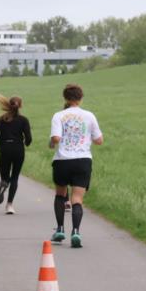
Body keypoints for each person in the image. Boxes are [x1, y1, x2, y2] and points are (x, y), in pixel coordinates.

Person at [49, 84, 103, 248]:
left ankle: (60, 229)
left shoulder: (58, 115)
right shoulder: (89, 115)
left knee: (60, 195)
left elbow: (56, 138)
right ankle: (76, 232)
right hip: (83, 160)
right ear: (81, 98)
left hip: (62, 160)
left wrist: (53, 141)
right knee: (77, 198)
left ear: (65, 98)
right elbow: (99, 140)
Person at [0, 94, 32, 214]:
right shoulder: (24, 120)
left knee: (5, 177)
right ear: (20, 106)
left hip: (5, 149)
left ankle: (4, 183)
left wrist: (2, 142)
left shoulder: (2, 119)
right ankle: (9, 205)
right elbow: (29, 139)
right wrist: (25, 143)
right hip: (18, 150)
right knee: (15, 177)